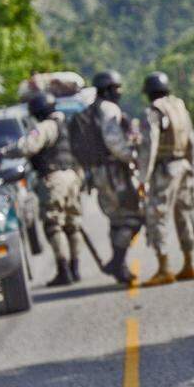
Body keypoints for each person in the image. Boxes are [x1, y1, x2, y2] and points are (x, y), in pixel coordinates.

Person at [0, 91, 83, 287]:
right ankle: (75, 268)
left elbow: (28, 147)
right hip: (73, 176)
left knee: (54, 224)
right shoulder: (68, 126)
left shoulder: (45, 127)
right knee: (73, 224)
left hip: (54, 178)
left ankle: (64, 270)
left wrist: (3, 153)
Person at [75, 69, 143, 284]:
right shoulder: (109, 109)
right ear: (108, 89)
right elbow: (114, 142)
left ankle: (120, 267)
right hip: (114, 174)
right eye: (117, 88)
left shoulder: (90, 111)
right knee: (134, 217)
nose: (120, 92)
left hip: (97, 174)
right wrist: (132, 157)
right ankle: (117, 261)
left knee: (116, 219)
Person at [136, 71, 194, 287]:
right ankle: (189, 263)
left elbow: (149, 146)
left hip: (165, 169)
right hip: (183, 165)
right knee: (184, 214)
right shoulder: (179, 106)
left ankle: (164, 268)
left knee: (157, 216)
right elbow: (191, 138)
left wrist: (142, 178)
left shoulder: (154, 111)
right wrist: (190, 164)